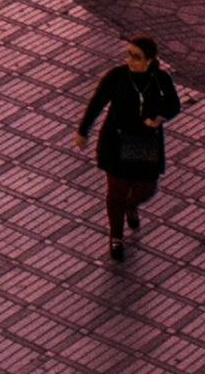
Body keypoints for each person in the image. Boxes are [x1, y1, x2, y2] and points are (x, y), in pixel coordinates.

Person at [77, 36, 183, 259]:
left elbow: (174, 105)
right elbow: (97, 102)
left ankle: (130, 205)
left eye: (136, 57)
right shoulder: (117, 76)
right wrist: (83, 130)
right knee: (116, 191)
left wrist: (159, 118)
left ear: (150, 60)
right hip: (116, 140)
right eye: (128, 55)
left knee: (147, 188)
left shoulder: (159, 78)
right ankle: (116, 237)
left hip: (143, 141)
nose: (130, 60)